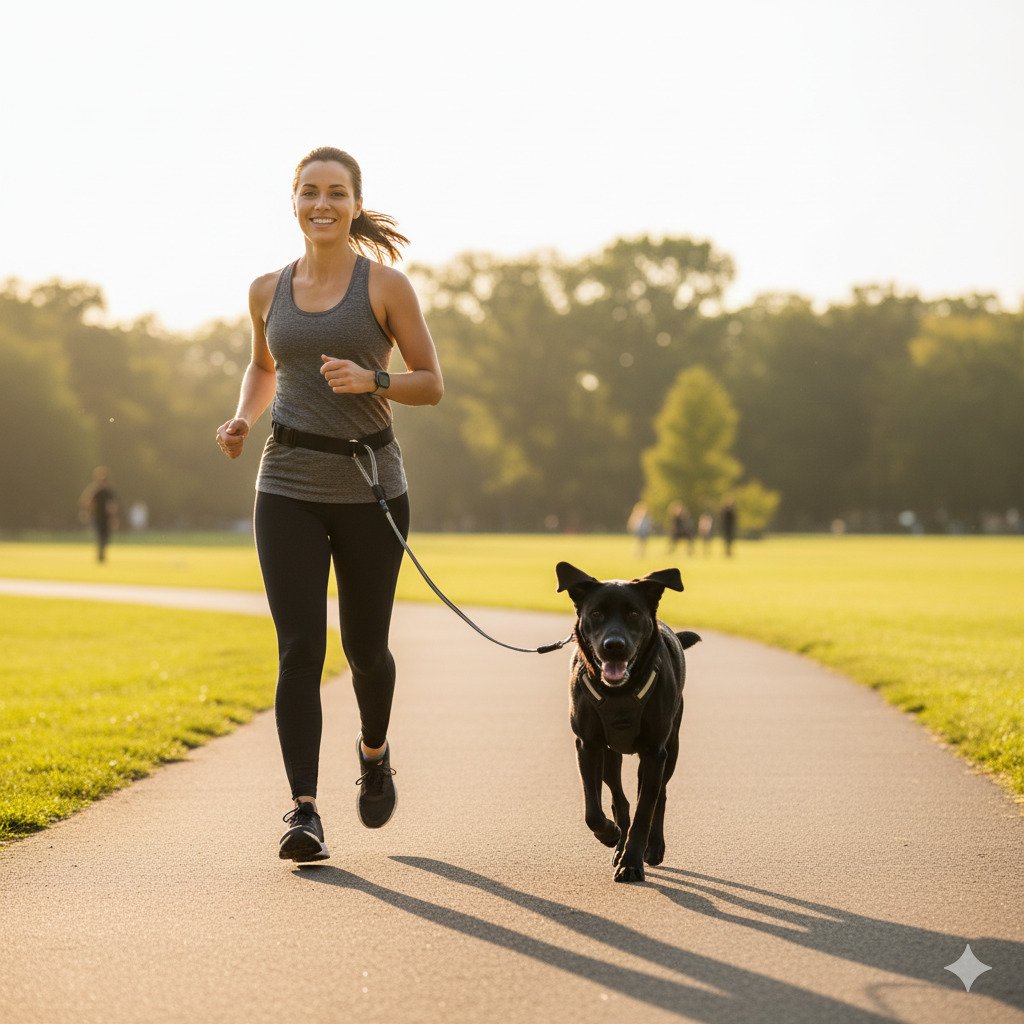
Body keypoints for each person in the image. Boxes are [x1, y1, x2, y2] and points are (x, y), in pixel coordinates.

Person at [216, 147, 444, 863]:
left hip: (370, 487)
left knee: (365, 649)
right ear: (294, 201)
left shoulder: (385, 286)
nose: (323, 204)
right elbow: (263, 366)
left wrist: (374, 379)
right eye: (310, 192)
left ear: (355, 204)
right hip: (286, 482)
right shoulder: (266, 290)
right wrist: (243, 418)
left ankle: (373, 752)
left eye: (336, 193)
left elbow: (430, 382)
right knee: (299, 649)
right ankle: (305, 810)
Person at [78, 467, 118, 563]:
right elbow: (86, 502)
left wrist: (113, 517)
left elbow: (112, 505)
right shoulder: (95, 490)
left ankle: (102, 554)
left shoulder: (108, 491)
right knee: (100, 536)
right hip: (97, 517)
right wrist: (88, 512)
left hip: (106, 518)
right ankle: (100, 556)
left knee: (105, 537)